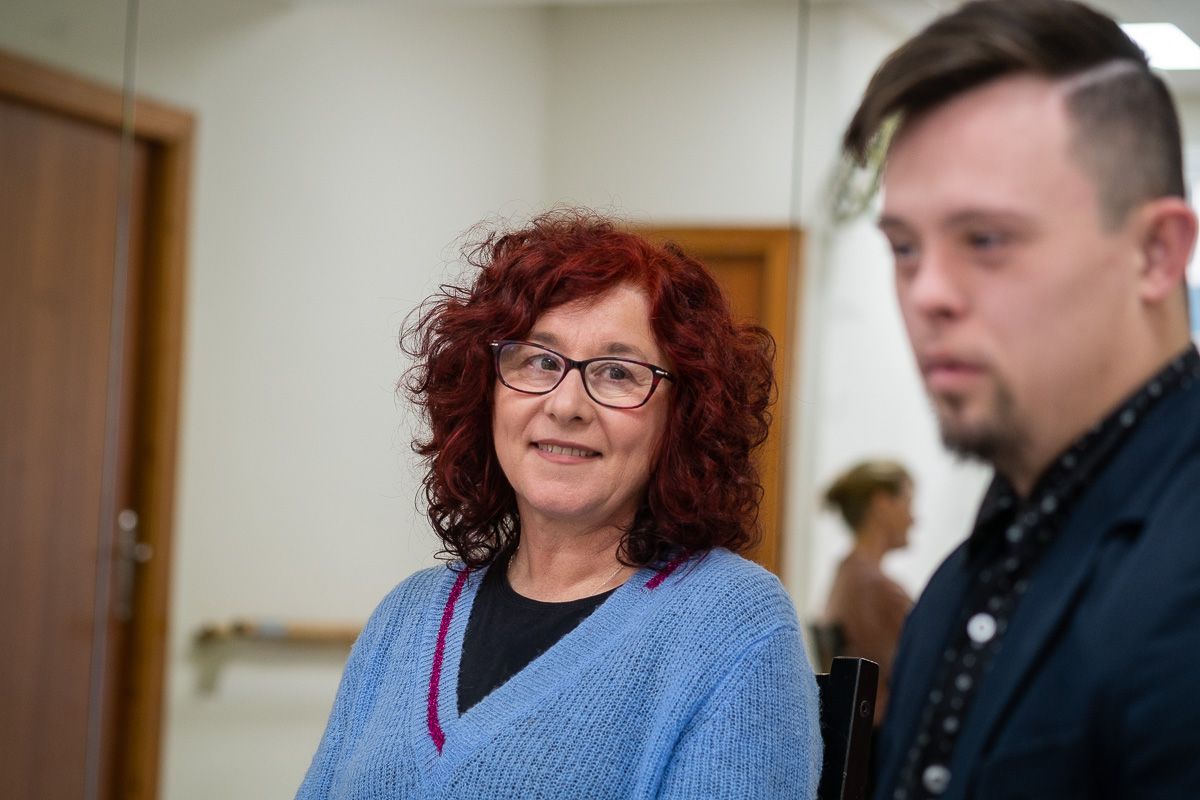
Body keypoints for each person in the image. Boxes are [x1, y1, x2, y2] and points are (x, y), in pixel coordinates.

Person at [295, 210, 822, 799]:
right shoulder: (406, 618)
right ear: (486, 391)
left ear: (684, 417)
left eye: (618, 372)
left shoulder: (732, 627)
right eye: (540, 361)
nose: (566, 404)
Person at [841, 1, 1200, 798]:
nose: (926, 292)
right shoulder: (967, 582)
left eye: (986, 240)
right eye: (904, 247)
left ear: (1155, 252)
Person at [821, 459, 915, 723]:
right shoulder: (875, 588)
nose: (914, 519)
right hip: (882, 740)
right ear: (882, 504)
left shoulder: (848, 573)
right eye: (908, 503)